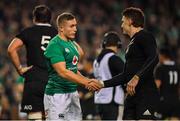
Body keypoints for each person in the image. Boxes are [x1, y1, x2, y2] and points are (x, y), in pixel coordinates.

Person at [92, 7, 161, 120]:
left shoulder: (144, 36)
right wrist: (102, 84)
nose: (121, 25)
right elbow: (125, 75)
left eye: (123, 21)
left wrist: (136, 77)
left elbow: (154, 58)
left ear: (130, 21)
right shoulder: (132, 43)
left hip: (146, 94)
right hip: (132, 96)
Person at [43, 12, 100, 120]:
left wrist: (88, 81)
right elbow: (63, 72)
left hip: (73, 93)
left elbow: (73, 69)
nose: (75, 29)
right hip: (57, 95)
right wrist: (87, 82)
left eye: (75, 25)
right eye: (71, 26)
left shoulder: (71, 43)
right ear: (61, 28)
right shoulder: (54, 45)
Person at [7, 5, 57, 120]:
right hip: (53, 80)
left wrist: (19, 69)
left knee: (35, 116)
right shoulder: (57, 34)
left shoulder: (28, 32)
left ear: (34, 18)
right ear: (50, 18)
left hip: (33, 80)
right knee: (52, 115)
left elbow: (11, 49)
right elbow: (78, 51)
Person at [93, 31, 125, 120]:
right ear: (118, 44)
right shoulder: (113, 58)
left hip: (99, 100)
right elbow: (125, 76)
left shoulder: (96, 60)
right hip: (112, 100)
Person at [154, 46, 180, 120]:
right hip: (176, 101)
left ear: (162, 55)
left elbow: (157, 85)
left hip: (164, 101)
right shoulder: (177, 67)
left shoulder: (160, 68)